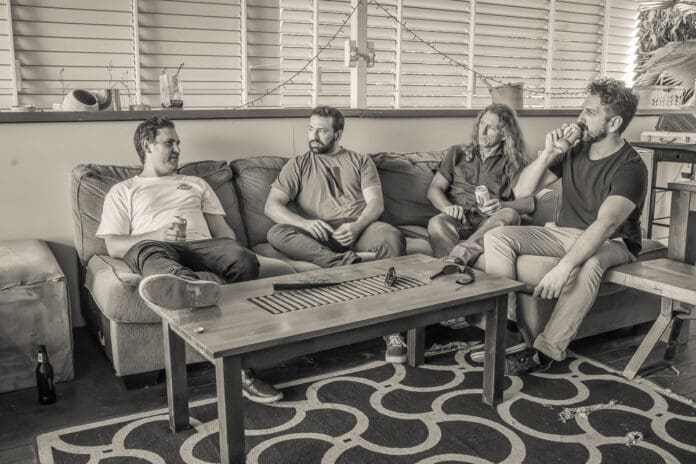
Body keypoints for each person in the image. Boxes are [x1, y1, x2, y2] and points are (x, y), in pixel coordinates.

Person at [96, 116, 282, 403]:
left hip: (202, 245)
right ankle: (186, 287)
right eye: (169, 142)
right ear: (147, 145)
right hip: (155, 247)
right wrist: (158, 233)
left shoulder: (195, 183)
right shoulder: (123, 191)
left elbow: (223, 233)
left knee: (242, 259)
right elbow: (113, 245)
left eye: (178, 143)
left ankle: (193, 294)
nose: (177, 149)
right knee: (150, 255)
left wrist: (238, 251)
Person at [484, 78, 646, 375]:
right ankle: (507, 327)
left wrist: (563, 268)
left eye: (590, 112)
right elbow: (522, 192)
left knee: (589, 263)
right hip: (561, 233)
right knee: (497, 237)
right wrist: (548, 152)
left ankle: (546, 350)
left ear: (613, 123)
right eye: (582, 110)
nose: (580, 119)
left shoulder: (631, 167)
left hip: (614, 243)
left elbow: (605, 225)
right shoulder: (574, 151)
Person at [264, 105, 408, 363]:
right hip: (318, 233)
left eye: (322, 131)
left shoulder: (361, 161)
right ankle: (348, 263)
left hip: (358, 229)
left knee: (390, 236)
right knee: (277, 233)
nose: (313, 136)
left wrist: (357, 226)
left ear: (338, 134)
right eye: (310, 129)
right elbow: (272, 206)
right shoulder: (297, 164)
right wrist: (306, 225)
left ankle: (393, 329)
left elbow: (376, 203)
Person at [427, 103, 533, 265]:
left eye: (490, 127)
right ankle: (453, 274)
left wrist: (501, 205)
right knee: (436, 223)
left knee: (510, 214)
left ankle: (456, 261)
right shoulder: (457, 152)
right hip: (458, 219)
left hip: (489, 222)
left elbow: (530, 203)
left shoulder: (513, 162)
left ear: (504, 134)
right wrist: (447, 207)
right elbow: (434, 189)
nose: (482, 132)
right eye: (482, 124)